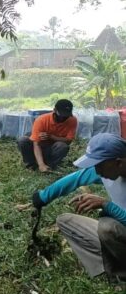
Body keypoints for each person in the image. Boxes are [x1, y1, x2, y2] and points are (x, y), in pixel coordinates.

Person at [32, 133, 126, 282]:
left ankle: (121, 275)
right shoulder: (108, 169)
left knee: (107, 227)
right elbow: (76, 178)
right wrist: (44, 196)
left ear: (119, 163)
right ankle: (105, 266)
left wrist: (105, 205)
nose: (96, 171)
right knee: (66, 221)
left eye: (99, 165)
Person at [18, 99, 77, 172]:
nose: (63, 118)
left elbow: (68, 141)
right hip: (37, 148)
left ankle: (50, 165)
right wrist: (41, 164)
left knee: (63, 146)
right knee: (23, 141)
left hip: (51, 149)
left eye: (66, 116)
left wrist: (51, 137)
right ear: (54, 110)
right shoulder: (41, 120)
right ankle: (31, 164)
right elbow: (36, 144)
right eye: (61, 115)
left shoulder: (72, 120)